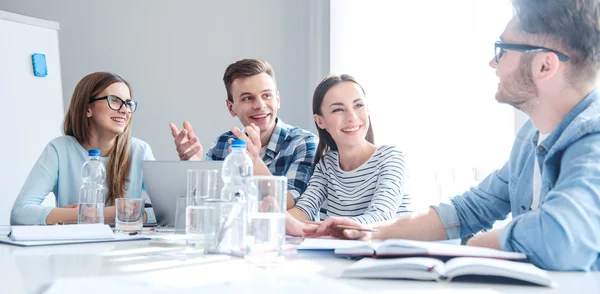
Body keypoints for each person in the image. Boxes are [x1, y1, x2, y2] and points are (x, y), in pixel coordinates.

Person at [304, 0, 600, 271]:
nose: (493, 63)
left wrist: (470, 248)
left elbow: (562, 240)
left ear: (544, 65)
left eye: (503, 50)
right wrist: (368, 231)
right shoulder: (529, 138)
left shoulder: (593, 137)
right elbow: (470, 208)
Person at [169, 59, 317, 209]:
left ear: (277, 99)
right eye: (247, 98)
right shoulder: (222, 144)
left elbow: (287, 204)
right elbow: (210, 207)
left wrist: (254, 161)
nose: (259, 105)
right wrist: (196, 167)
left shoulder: (303, 143)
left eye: (266, 95)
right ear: (231, 107)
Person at [11, 72, 155, 225]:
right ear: (87, 108)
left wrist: (84, 214)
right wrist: (117, 213)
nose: (125, 110)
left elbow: (168, 213)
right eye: (114, 100)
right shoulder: (59, 149)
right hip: (76, 247)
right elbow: (20, 213)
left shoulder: (140, 150)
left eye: (128, 103)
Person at [286, 74, 410, 236]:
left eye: (358, 105)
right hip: (347, 254)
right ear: (320, 121)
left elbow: (380, 217)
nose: (352, 117)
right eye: (338, 109)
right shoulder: (327, 164)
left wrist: (325, 228)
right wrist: (273, 218)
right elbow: (303, 211)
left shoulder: (391, 157)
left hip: (390, 254)